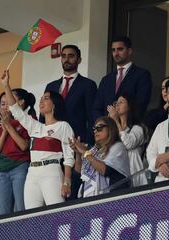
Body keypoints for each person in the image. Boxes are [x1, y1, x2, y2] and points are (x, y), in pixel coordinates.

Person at [1, 69, 74, 210]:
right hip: (32, 173)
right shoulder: (34, 126)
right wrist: (6, 85)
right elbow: (16, 110)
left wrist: (67, 182)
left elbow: (69, 157)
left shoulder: (63, 126)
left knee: (56, 214)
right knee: (32, 217)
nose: (41, 100)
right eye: (41, 98)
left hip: (51, 171)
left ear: (55, 104)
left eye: (46, 98)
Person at [44, 44, 97, 200]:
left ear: (79, 59)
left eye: (71, 56)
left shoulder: (88, 85)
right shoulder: (51, 86)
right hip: (53, 145)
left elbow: (91, 116)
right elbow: (44, 116)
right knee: (53, 187)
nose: (67, 59)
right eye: (64, 56)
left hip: (76, 144)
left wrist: (87, 142)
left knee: (73, 186)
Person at [0, 88, 35, 215]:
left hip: (20, 167)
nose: (6, 105)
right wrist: (5, 130)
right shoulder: (1, 123)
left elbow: (23, 146)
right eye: (3, 103)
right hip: (1, 171)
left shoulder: (28, 119)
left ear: (20, 103)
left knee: (21, 210)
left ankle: (23, 235)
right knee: (3, 214)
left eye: (10, 100)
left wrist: (9, 126)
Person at [92, 36, 152, 122]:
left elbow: (141, 104)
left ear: (129, 51)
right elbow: (96, 108)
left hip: (129, 128)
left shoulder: (142, 75)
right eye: (113, 50)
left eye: (120, 49)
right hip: (107, 130)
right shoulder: (106, 79)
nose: (116, 53)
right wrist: (104, 124)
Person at [69, 117, 130, 197]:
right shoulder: (94, 151)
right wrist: (78, 152)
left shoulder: (118, 147)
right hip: (90, 199)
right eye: (94, 129)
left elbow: (104, 170)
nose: (95, 131)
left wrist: (84, 152)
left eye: (99, 128)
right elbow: (79, 173)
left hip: (113, 198)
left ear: (110, 128)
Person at [107, 94, 148, 187]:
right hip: (116, 176)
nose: (117, 105)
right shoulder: (114, 131)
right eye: (116, 103)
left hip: (134, 175)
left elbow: (128, 143)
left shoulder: (138, 128)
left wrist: (116, 121)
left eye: (121, 102)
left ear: (129, 106)